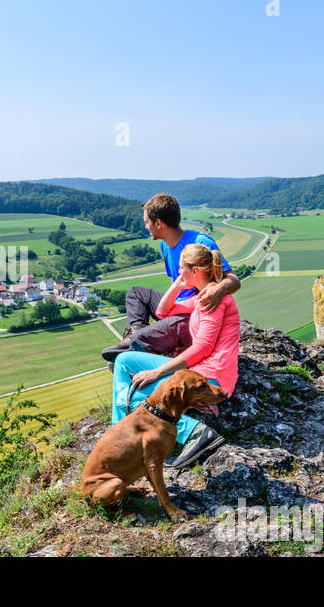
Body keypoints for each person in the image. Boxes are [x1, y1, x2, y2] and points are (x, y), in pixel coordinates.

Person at [110, 243, 240, 469]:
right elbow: (162, 311)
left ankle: (195, 433)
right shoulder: (201, 296)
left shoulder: (212, 300)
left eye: (182, 269)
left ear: (196, 271)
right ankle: (119, 432)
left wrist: (158, 371)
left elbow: (203, 348)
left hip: (211, 375)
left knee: (131, 396)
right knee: (122, 361)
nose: (178, 272)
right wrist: (179, 284)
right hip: (200, 370)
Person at [101, 193, 240, 369]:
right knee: (136, 294)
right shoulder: (164, 245)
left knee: (142, 341)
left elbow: (234, 280)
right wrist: (167, 307)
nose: (146, 226)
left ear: (158, 223)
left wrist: (218, 291)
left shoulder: (200, 242)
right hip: (178, 305)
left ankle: (136, 351)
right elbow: (177, 283)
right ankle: (136, 334)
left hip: (192, 314)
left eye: (147, 222)